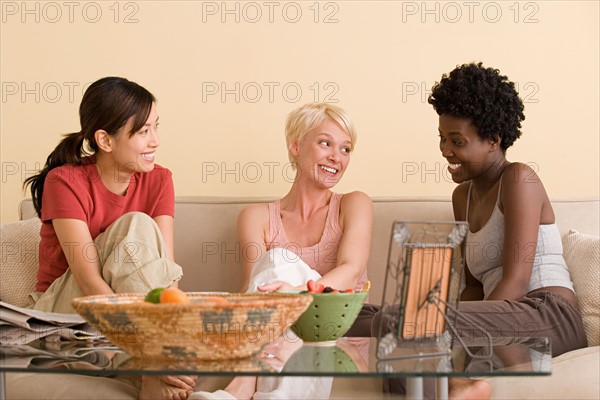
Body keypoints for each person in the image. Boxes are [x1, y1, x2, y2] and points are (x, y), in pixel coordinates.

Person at [378, 62, 588, 400]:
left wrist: (453, 327)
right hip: (500, 318)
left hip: (545, 313)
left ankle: (514, 375)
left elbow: (515, 283)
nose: (446, 151)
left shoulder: (519, 179)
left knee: (418, 321)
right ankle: (465, 387)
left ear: (493, 139)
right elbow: (474, 289)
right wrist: (442, 340)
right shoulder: (463, 196)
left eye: (457, 141)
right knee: (395, 338)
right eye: (442, 139)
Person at [23, 76, 197, 400]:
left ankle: (152, 371)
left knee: (142, 232)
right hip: (66, 315)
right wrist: (155, 352)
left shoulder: (160, 180)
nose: (155, 140)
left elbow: (166, 276)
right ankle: (152, 365)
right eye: (143, 131)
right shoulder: (65, 182)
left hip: (118, 324)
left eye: (156, 127)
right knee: (136, 225)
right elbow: (89, 283)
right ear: (105, 140)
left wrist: (177, 340)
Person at [190, 102, 374, 400]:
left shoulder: (354, 204)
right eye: (325, 143)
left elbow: (351, 269)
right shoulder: (256, 217)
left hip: (334, 341)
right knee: (274, 264)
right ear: (296, 145)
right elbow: (254, 291)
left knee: (279, 259)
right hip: (274, 339)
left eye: (346, 149)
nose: (336, 158)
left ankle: (239, 388)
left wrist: (294, 293)